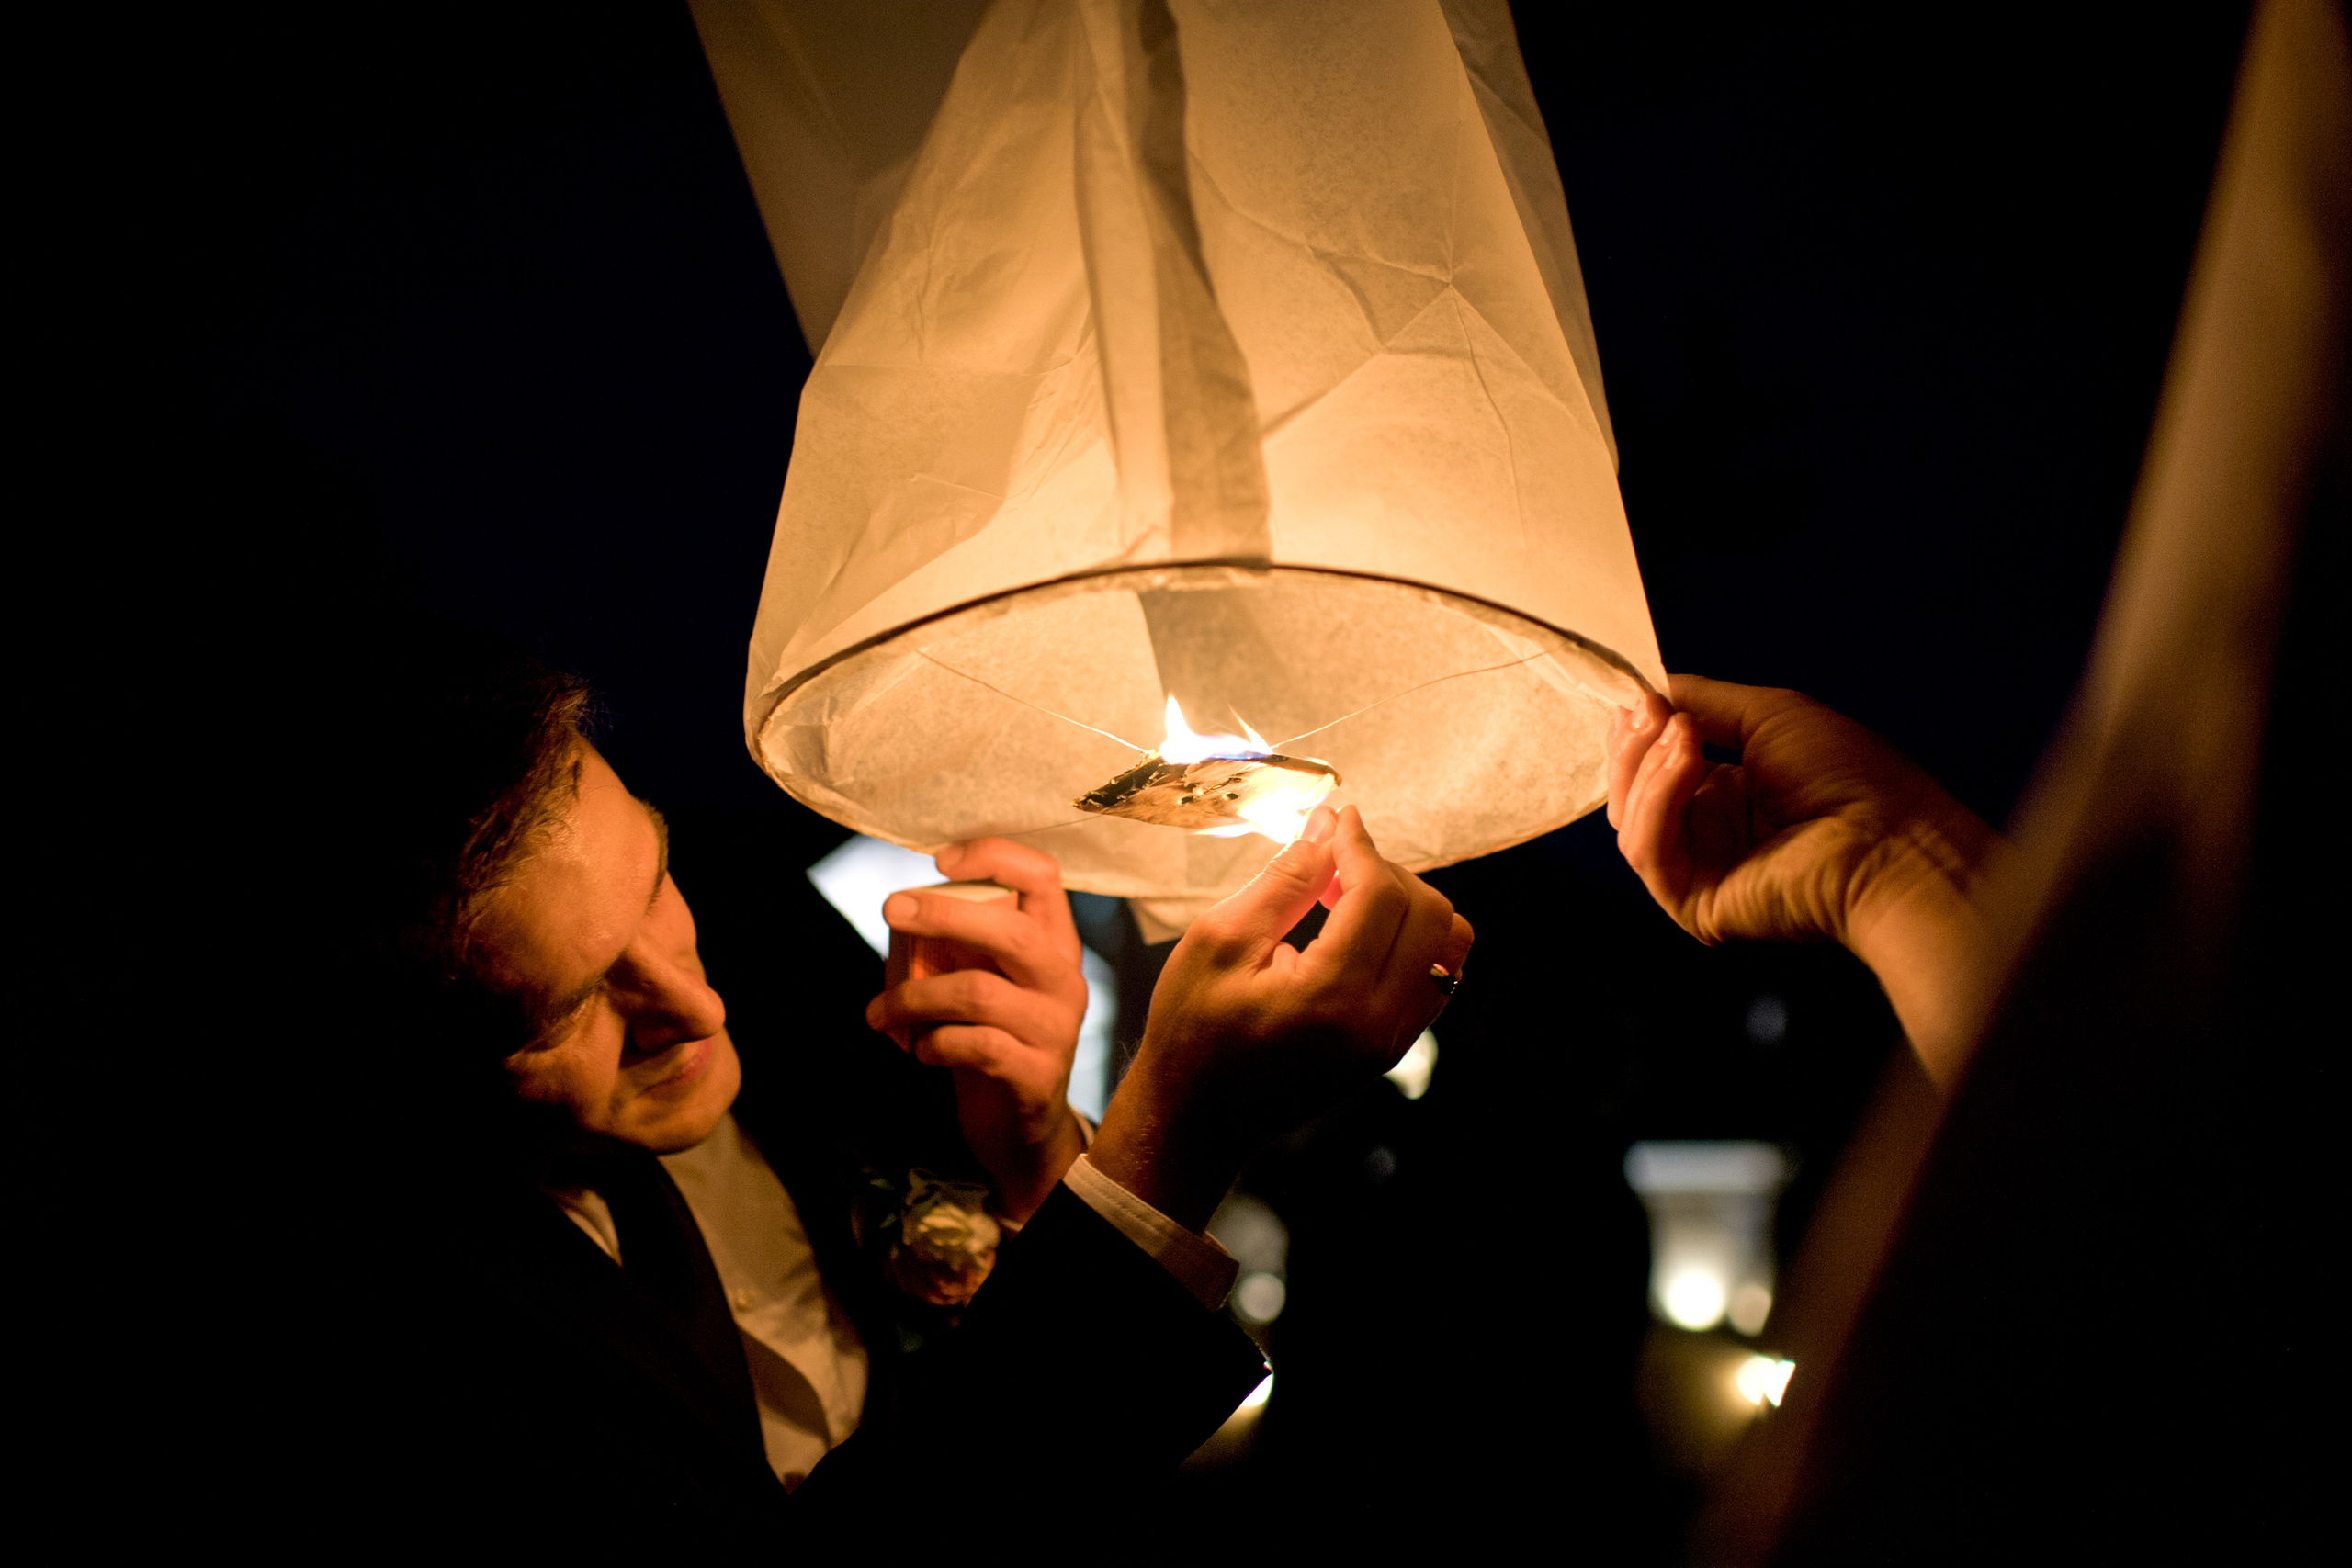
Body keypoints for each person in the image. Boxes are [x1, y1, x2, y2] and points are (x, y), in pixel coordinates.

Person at [334, 621, 1471, 1536]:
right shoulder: (419, 1326)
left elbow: (988, 1364)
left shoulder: (774, 953)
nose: (693, 1007)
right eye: (568, 1006)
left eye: (655, 885)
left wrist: (1036, 1151)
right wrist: (1169, 1142)